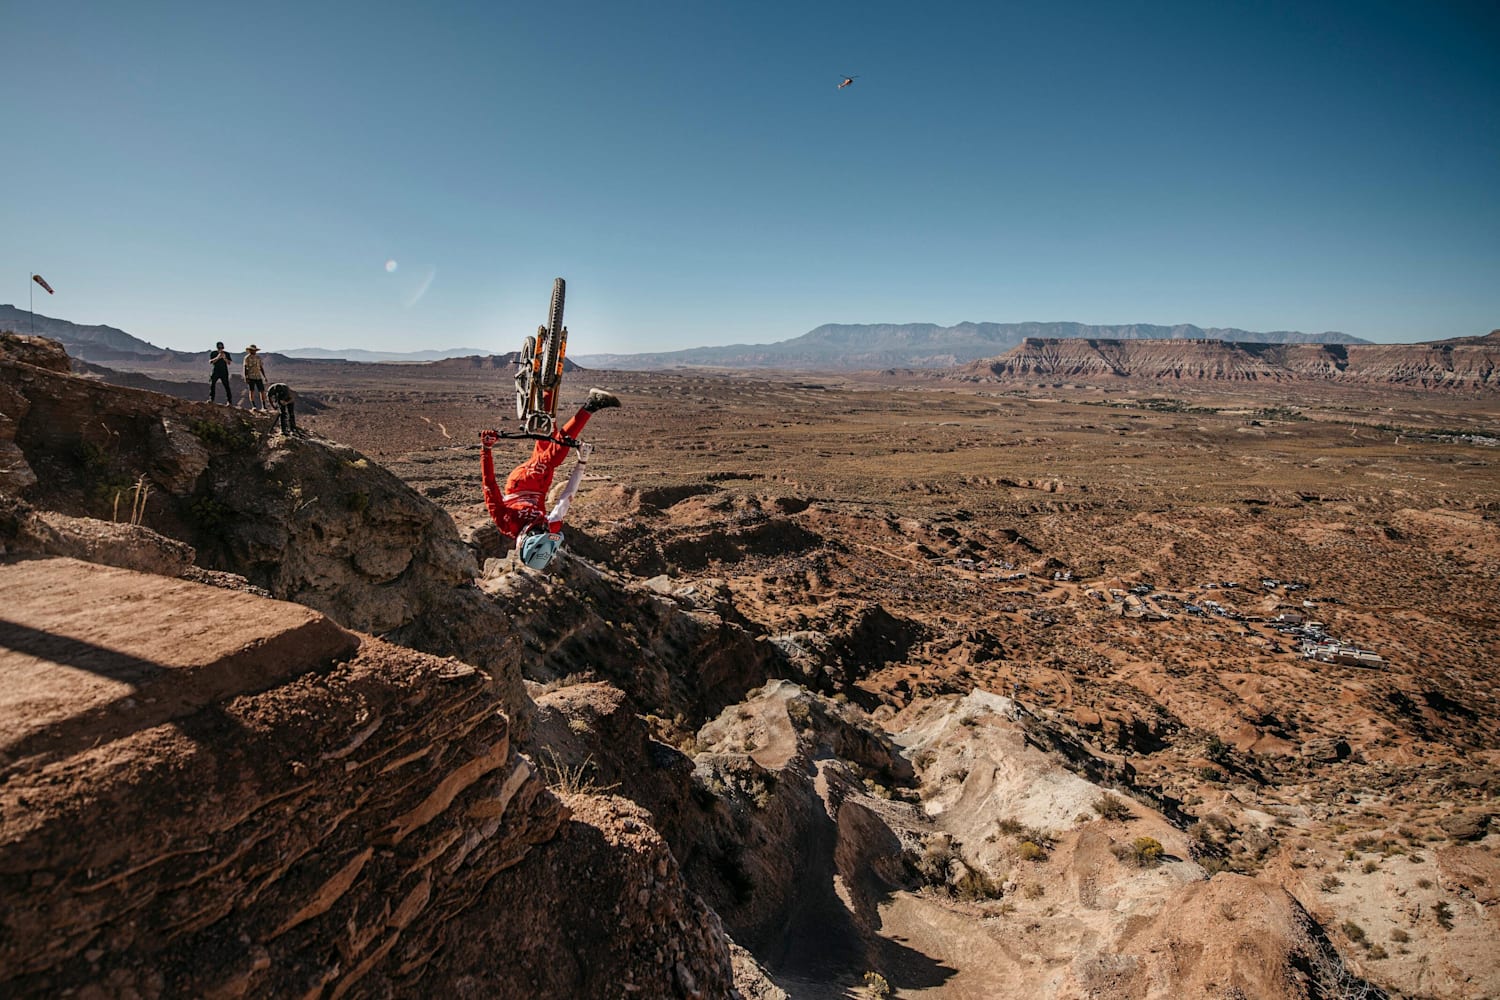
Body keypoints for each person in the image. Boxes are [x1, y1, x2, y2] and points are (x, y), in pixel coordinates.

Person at [480, 388, 620, 570]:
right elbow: (567, 496)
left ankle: (591, 404)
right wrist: (582, 461)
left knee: (553, 456)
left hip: (520, 483)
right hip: (541, 485)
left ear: (526, 538)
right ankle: (547, 384)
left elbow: (489, 486)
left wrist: (486, 449)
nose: (542, 528)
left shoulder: (507, 522)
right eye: (544, 532)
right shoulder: (550, 528)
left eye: (538, 531)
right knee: (547, 429)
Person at [242, 345, 268, 410]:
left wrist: (264, 376)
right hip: (251, 376)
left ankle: (264, 406)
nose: (253, 351)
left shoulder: (258, 357)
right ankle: (253, 406)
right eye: (252, 350)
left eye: (254, 350)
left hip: (258, 376)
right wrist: (246, 377)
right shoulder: (247, 358)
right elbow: (245, 367)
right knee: (252, 391)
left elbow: (261, 367)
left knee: (262, 391)